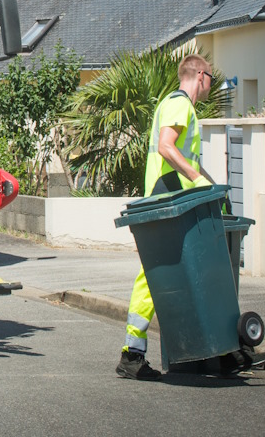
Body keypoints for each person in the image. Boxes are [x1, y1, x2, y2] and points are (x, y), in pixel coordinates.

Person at [116, 54, 215, 381]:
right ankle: (133, 354)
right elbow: (167, 148)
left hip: (169, 202)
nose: (211, 85)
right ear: (200, 75)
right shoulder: (179, 104)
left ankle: (145, 352)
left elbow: (185, 157)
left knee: (161, 275)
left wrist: (209, 184)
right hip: (167, 202)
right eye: (211, 78)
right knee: (155, 276)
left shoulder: (178, 106)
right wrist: (197, 180)